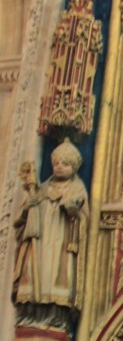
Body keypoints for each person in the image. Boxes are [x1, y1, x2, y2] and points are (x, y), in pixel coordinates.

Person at [13, 138, 89, 327]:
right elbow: (18, 223)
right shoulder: (41, 189)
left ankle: (55, 316)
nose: (59, 167)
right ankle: (32, 314)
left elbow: (85, 220)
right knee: (34, 276)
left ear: (74, 167)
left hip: (62, 244)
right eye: (56, 163)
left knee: (57, 278)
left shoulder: (77, 188)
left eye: (65, 164)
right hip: (40, 241)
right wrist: (28, 208)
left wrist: (72, 210)